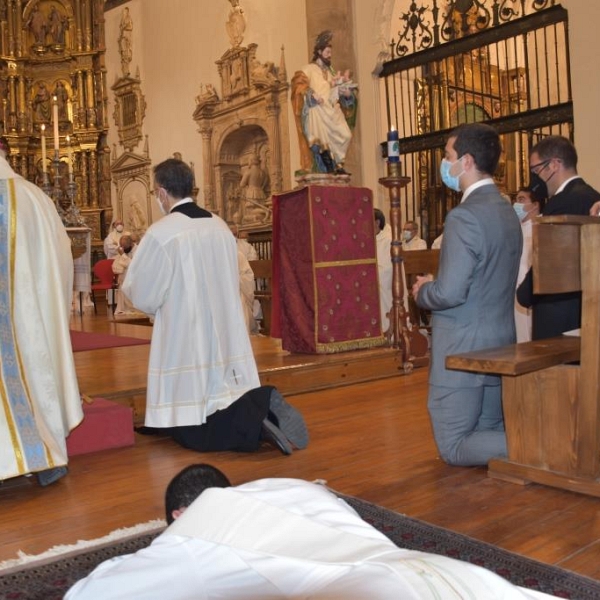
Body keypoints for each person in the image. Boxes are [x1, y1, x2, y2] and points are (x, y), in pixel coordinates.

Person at [66, 463, 558, 599]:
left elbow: (89, 594)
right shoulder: (297, 487)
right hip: (445, 574)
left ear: (179, 513)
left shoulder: (197, 535)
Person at [120, 159, 307, 455]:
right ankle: (260, 409)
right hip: (225, 327)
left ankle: (259, 411)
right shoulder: (219, 225)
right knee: (221, 394)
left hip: (185, 331)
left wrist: (153, 305)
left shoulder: (163, 232)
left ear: (161, 192)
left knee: (192, 426)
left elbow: (140, 290)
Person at [412, 123, 522, 467]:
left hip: (462, 347)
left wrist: (423, 290)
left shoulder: (464, 216)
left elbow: (450, 293)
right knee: (488, 427)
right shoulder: (507, 211)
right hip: (499, 340)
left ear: (467, 161)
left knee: (455, 446)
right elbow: (485, 278)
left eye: (448, 156)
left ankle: (552, 438)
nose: (445, 164)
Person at [0, 136, 82, 487]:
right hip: (29, 321)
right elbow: (63, 260)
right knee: (33, 366)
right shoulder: (36, 197)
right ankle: (42, 448)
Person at [517, 135, 600, 340]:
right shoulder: (592, 196)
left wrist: (524, 294)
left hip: (558, 314)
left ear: (554, 164)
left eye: (536, 171)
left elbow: (547, 262)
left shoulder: (561, 203)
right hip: (586, 310)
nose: (535, 179)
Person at [291, 30, 357, 174]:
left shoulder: (331, 73)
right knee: (319, 136)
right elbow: (297, 84)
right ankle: (329, 164)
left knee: (346, 135)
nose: (329, 55)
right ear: (319, 51)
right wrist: (310, 93)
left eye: (330, 52)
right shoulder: (308, 69)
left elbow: (342, 95)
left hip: (332, 111)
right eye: (327, 52)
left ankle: (338, 162)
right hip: (318, 110)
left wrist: (347, 94)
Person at [513, 187, 545, 342]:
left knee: (529, 339)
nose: (516, 204)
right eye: (516, 199)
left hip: (530, 291)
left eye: (521, 199)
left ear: (535, 205)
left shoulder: (542, 228)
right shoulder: (516, 229)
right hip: (514, 292)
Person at [111, 234, 141, 315]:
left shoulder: (138, 250)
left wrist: (123, 255)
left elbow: (133, 266)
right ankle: (123, 308)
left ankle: (133, 308)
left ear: (131, 244)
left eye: (124, 246)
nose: (123, 249)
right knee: (122, 284)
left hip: (136, 278)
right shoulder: (123, 250)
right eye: (121, 246)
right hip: (124, 278)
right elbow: (116, 265)